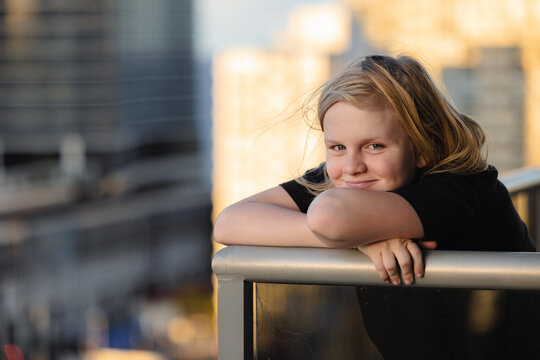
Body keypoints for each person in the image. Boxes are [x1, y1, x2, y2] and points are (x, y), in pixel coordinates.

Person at [213, 55, 537, 359]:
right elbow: (229, 223)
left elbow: (330, 217)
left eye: (374, 146)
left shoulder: (461, 188)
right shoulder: (356, 180)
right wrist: (360, 239)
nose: (352, 166)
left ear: (423, 147)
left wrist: (346, 233)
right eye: (337, 146)